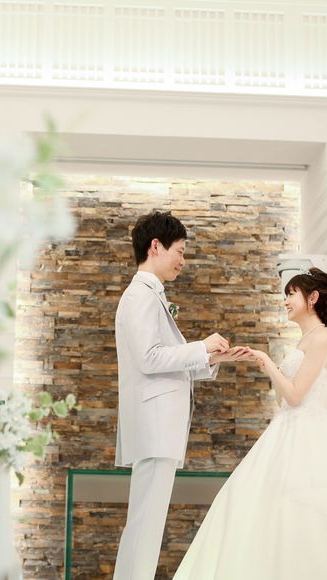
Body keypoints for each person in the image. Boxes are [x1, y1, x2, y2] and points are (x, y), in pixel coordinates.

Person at [173, 267, 327, 580]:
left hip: (307, 435)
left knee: (302, 510)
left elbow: (297, 396)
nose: (286, 301)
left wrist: (267, 361)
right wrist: (270, 367)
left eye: (291, 294)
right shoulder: (305, 341)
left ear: (312, 298)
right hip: (286, 428)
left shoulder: (321, 339)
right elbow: (284, 399)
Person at [113, 211, 248, 580]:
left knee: (145, 525)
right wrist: (201, 347)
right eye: (180, 251)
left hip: (158, 428)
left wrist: (212, 358)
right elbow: (149, 358)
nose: (183, 261)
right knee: (145, 527)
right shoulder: (141, 295)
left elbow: (163, 360)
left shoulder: (149, 294)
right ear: (156, 246)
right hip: (155, 427)